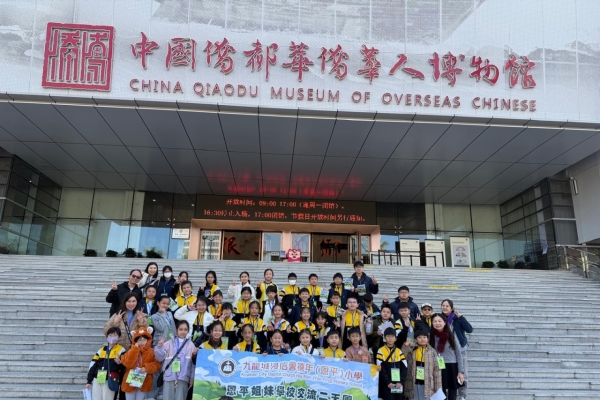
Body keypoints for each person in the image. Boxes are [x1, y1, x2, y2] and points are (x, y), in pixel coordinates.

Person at [154, 320, 197, 400]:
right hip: (169, 376)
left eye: (185, 329)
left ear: (188, 331)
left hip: (183, 377)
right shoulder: (168, 343)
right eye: (181, 329)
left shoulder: (191, 345)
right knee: (167, 397)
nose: (183, 332)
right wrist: (159, 347)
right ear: (176, 330)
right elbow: (159, 358)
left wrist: (191, 378)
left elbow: (192, 364)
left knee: (181, 397)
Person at [441, 300, 472, 400]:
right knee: (447, 373)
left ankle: (462, 395)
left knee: (463, 373)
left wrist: (462, 318)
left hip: (460, 349)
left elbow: (469, 329)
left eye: (447, 306)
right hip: (447, 351)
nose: (445, 307)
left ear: (451, 308)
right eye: (443, 305)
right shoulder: (440, 319)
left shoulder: (457, 319)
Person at [120, 327, 161, 400]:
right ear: (135, 341)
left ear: (148, 340)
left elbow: (157, 365)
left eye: (144, 340)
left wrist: (146, 368)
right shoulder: (131, 349)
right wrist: (134, 349)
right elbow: (127, 363)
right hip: (130, 380)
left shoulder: (152, 351)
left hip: (144, 380)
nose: (142, 342)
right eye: (139, 340)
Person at [430, 314, 464, 400]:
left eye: (439, 321)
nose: (437, 323)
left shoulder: (451, 335)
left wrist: (460, 371)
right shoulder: (430, 335)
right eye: (435, 321)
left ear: (445, 323)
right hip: (437, 366)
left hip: (451, 366)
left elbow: (458, 353)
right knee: (440, 391)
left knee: (452, 391)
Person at [86, 327, 126, 400]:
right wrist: (89, 381)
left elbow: (124, 367)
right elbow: (93, 366)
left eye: (115, 335)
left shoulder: (121, 350)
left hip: (110, 379)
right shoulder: (101, 350)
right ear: (107, 337)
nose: (112, 337)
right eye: (110, 335)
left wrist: (119, 363)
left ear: (119, 337)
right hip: (98, 378)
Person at [401, 328, 442, 400]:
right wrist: (406, 346)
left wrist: (438, 388)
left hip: (428, 384)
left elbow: (437, 371)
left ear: (428, 339)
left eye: (424, 337)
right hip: (413, 383)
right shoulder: (412, 349)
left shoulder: (432, 352)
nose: (422, 339)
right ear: (416, 339)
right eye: (419, 337)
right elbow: (402, 357)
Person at [377, 327, 407, 400]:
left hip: (398, 384)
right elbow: (380, 369)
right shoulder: (380, 351)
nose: (390, 338)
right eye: (388, 336)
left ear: (395, 339)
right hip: (386, 384)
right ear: (384, 338)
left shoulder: (399, 351)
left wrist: (401, 382)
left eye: (392, 336)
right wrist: (388, 382)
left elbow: (405, 367)